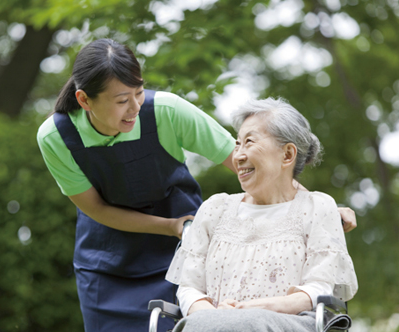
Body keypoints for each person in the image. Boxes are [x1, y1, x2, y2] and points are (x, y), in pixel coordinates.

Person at [36, 39, 357, 332]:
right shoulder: (56, 137)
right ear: (84, 100)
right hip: (107, 259)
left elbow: (248, 162)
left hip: (179, 251)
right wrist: (171, 225)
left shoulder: (165, 110)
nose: (135, 107)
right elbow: (95, 208)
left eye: (139, 92)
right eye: (122, 100)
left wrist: (316, 208)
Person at [165, 97, 359, 332]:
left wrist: (248, 311)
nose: (237, 156)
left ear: (287, 155)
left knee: (250, 323)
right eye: (237, 144)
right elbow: (188, 288)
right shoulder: (214, 209)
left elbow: (318, 289)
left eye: (249, 142)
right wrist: (217, 318)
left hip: (289, 323)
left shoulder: (317, 207)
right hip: (211, 324)